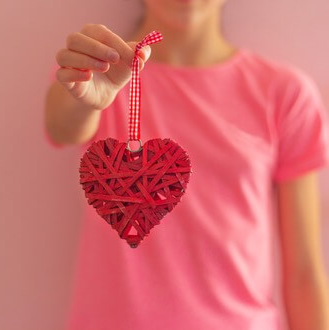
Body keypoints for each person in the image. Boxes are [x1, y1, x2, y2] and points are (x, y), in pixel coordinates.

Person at [43, 0, 329, 329]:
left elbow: (304, 274)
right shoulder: (94, 72)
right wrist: (81, 92)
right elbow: (62, 125)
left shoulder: (284, 94)